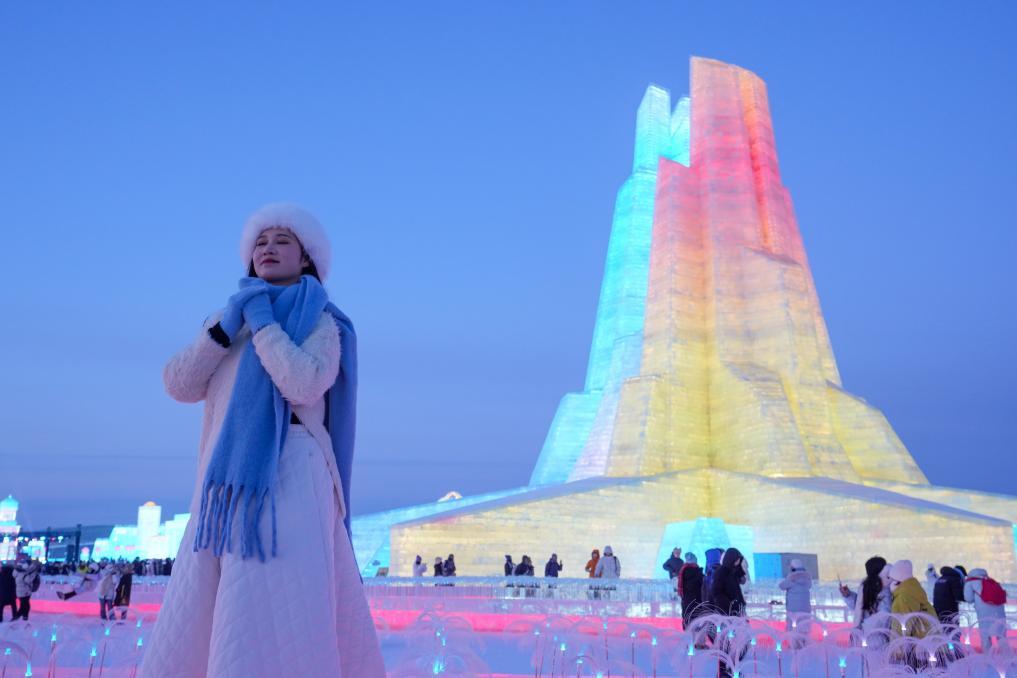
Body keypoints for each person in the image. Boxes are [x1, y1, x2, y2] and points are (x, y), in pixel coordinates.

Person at [140, 204, 385, 677]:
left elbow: (305, 384)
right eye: (260, 242)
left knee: (287, 598)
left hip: (295, 473)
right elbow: (179, 385)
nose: (267, 249)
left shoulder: (322, 322)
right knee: (218, 607)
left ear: (307, 258)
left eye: (281, 241)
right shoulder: (225, 320)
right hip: (227, 481)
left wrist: (265, 323)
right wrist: (222, 331)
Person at [840, 556, 892, 647]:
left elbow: (884, 615)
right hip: (864, 638)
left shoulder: (885, 590)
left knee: (876, 660)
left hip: (878, 639)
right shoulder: (866, 587)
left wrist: (865, 628)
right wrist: (848, 595)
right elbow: (859, 609)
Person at [888, 559, 935, 639]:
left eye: (891, 578)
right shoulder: (915, 590)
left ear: (896, 581)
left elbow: (900, 630)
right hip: (928, 643)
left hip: (918, 647)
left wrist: (895, 650)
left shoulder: (903, 597)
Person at [963, 567, 1008, 649]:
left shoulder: (970, 582)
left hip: (984, 613)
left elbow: (968, 599)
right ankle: (1006, 657)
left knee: (986, 636)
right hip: (999, 612)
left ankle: (987, 657)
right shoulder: (992, 582)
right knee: (1001, 636)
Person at [711, 547, 747, 617]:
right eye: (737, 559)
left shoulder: (734, 571)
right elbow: (716, 592)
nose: (738, 561)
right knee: (729, 627)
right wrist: (728, 604)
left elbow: (743, 581)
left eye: (739, 559)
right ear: (731, 558)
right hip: (727, 610)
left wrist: (739, 569)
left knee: (741, 627)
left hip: (738, 607)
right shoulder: (721, 572)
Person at [779, 559, 812, 632]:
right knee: (804, 628)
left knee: (791, 628)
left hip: (793, 608)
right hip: (805, 608)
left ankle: (792, 642)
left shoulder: (792, 577)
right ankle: (803, 641)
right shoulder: (807, 577)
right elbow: (809, 586)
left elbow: (781, 586)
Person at [677, 552, 704, 628]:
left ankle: (687, 634)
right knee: (696, 618)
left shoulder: (683, 571)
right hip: (697, 601)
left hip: (686, 601)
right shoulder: (698, 573)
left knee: (687, 617)